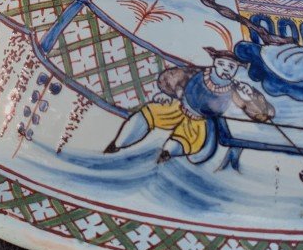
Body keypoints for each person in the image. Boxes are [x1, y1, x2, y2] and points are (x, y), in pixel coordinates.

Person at [105, 48, 274, 164]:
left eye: (231, 67)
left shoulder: (234, 90)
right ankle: (117, 145)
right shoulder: (198, 74)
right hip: (177, 108)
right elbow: (171, 78)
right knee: (149, 113)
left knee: (183, 141)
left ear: (236, 70)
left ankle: (164, 156)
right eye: (222, 64)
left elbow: (258, 112)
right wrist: (167, 94)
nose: (226, 69)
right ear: (215, 63)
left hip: (198, 122)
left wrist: (251, 97)